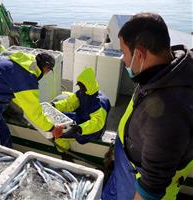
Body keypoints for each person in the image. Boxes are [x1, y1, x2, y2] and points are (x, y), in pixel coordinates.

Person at [102, 12, 193, 200]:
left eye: (124, 52)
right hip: (124, 167)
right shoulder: (161, 71)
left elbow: (150, 188)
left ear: (140, 54)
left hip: (134, 186)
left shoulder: (168, 115)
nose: (123, 59)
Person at [0, 51, 64, 147]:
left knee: (4, 139)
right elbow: (33, 112)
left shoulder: (17, 64)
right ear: (47, 69)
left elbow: (20, 97)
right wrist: (52, 128)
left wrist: (31, 107)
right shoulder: (26, 78)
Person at [51, 67, 111, 152]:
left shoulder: (99, 102)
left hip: (92, 131)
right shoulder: (81, 93)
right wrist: (54, 105)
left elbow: (96, 124)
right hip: (81, 119)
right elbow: (69, 104)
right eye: (79, 86)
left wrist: (79, 129)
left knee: (59, 136)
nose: (80, 89)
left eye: (82, 86)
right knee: (58, 120)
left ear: (88, 85)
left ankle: (65, 153)